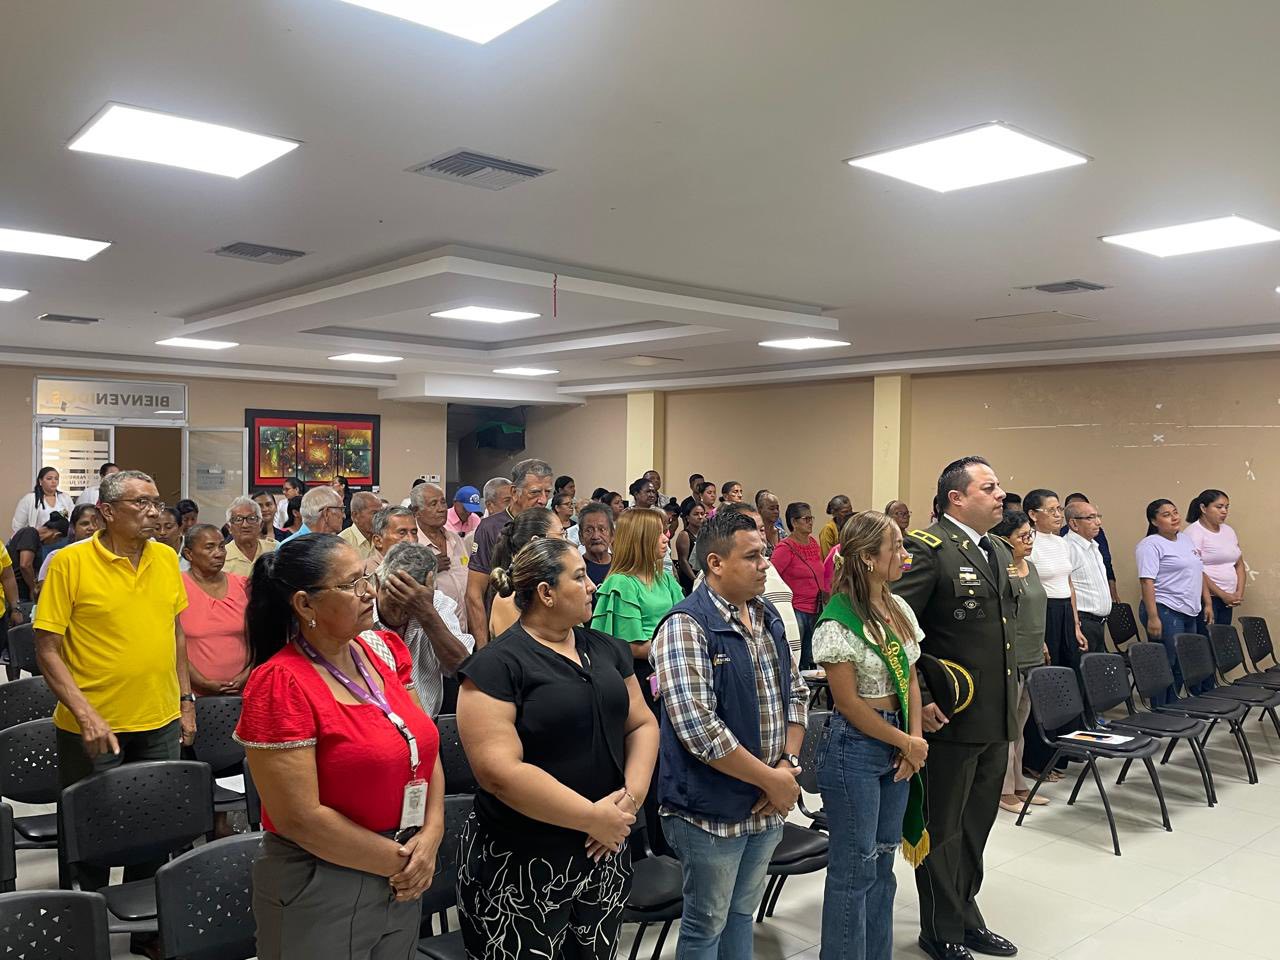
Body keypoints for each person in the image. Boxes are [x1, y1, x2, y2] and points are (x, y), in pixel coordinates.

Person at [235, 534, 443, 960]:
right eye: (351, 585)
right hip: (325, 876)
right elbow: (300, 819)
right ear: (305, 604)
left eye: (367, 577)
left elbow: (422, 745)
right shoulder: (281, 682)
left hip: (404, 864)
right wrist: (402, 861)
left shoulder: (381, 651)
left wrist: (432, 834)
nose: (369, 592)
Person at [456, 538, 658, 957]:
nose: (593, 586)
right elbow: (498, 772)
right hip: (523, 862)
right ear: (546, 593)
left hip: (605, 845)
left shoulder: (605, 649)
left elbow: (641, 723)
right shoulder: (497, 665)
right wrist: (591, 817)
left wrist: (629, 801)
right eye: (580, 577)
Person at [33, 469, 196, 937]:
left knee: (153, 831)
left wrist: (185, 700)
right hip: (95, 725)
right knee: (90, 837)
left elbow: (175, 633)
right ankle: (81, 931)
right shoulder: (70, 562)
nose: (153, 512)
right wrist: (85, 714)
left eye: (156, 503)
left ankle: (146, 934)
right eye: (140, 504)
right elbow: (47, 649)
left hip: (159, 718)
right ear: (106, 511)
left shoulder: (165, 557)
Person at [651, 509, 808, 959]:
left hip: (767, 801)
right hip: (710, 810)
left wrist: (787, 764)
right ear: (716, 563)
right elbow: (699, 728)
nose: (765, 564)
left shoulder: (767, 615)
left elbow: (796, 694)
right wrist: (771, 780)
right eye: (753, 556)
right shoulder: (686, 625)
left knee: (741, 914)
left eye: (764, 554)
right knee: (707, 924)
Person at [893, 456, 1018, 960]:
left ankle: (966, 914)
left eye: (999, 486)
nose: (1001, 494)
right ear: (956, 498)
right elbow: (895, 629)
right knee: (943, 827)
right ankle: (940, 928)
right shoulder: (928, 549)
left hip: (993, 713)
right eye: (989, 487)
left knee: (976, 824)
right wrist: (920, 698)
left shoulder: (997, 548)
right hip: (949, 715)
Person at [812, 510, 927, 960]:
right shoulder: (838, 620)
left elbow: (910, 679)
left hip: (900, 742)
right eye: (896, 547)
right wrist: (905, 743)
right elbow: (848, 703)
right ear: (866, 558)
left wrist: (913, 740)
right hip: (855, 748)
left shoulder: (898, 608)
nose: (904, 555)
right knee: (854, 869)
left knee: (883, 864)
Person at [1021, 489, 1089, 778]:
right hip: (1043, 615)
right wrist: (1039, 636)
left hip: (1064, 615)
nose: (1058, 515)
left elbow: (1069, 584)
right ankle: (1037, 760)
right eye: (1051, 510)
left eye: (1059, 509)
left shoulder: (1061, 543)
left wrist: (1075, 625)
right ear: (1032, 515)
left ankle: (1065, 751)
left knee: (1066, 684)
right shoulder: (1030, 544)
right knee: (1044, 687)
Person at [591, 508, 684, 703]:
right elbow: (632, 646)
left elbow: (685, 624)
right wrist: (673, 655)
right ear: (640, 539)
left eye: (665, 531)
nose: (666, 538)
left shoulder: (665, 578)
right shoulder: (621, 583)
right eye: (658, 533)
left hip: (670, 664)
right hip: (640, 673)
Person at [990, 511, 1050, 815]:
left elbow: (1035, 610)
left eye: (1031, 535)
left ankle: (1019, 783)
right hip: (1011, 658)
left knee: (1021, 726)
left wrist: (1042, 643)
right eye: (1022, 536)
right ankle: (1002, 790)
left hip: (1033, 655)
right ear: (1004, 541)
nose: (1029, 541)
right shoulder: (999, 571)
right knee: (1007, 728)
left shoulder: (1032, 567)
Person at [373, 542, 474, 717]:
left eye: (408, 607)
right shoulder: (360, 609)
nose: (399, 614)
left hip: (427, 723)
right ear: (377, 583)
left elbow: (462, 667)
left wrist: (426, 613)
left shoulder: (434, 604)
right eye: (393, 602)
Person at [466, 458, 554, 646]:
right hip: (504, 629)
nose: (543, 500)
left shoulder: (550, 524)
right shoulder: (490, 528)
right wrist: (483, 648)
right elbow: (474, 593)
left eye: (547, 492)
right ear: (514, 492)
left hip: (546, 630)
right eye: (535, 493)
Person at [1137, 499, 1214, 706]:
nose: (1174, 518)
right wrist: (1153, 617)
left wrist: (1207, 603)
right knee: (1166, 662)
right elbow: (1146, 581)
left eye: (1175, 512)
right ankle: (1160, 708)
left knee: (1183, 661)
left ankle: (1174, 705)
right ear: (1154, 521)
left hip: (1189, 610)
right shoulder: (1150, 544)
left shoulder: (1185, 540)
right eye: (1166, 515)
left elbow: (1198, 572)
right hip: (1165, 609)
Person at [180, 524, 250, 696]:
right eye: (209, 547)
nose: (219, 553)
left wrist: (246, 675)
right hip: (193, 694)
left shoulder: (243, 585)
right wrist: (202, 682)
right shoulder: (176, 587)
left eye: (221, 546)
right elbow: (171, 646)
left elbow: (258, 639)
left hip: (243, 690)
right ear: (189, 554)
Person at [487, 507, 564, 638]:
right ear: (536, 541)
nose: (567, 542)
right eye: (561, 535)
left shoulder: (550, 586)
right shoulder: (509, 599)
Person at [409, 482, 471, 631]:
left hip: (465, 631)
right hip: (432, 633)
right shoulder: (412, 547)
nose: (442, 509)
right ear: (417, 511)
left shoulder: (456, 540)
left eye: (443, 502)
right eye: (433, 504)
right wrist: (428, 567)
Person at [772, 501, 825, 670]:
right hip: (796, 609)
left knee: (812, 657)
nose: (810, 522)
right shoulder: (784, 548)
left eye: (811, 518)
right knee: (798, 657)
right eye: (806, 519)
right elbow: (772, 576)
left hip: (816, 607)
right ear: (794, 522)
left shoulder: (813, 543)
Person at [1185, 488, 1245, 626]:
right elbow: (1196, 569)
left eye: (1226, 507)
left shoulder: (1228, 531)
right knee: (1207, 637)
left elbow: (1239, 564)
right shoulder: (1194, 532)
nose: (1224, 511)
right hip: (1206, 597)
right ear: (1203, 508)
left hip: (1229, 598)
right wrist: (1222, 594)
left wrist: (1238, 593)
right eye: (1219, 507)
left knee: (1223, 637)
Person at [1063, 499, 1113, 653]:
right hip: (1083, 622)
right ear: (1074, 524)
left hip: (1099, 623)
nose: (1098, 522)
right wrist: (1076, 624)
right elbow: (1066, 587)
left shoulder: (1093, 546)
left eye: (1098, 516)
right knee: (1085, 666)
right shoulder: (1068, 547)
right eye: (1090, 518)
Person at [35, 504, 102, 596]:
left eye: (96, 524)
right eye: (85, 524)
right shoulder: (56, 556)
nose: (92, 528)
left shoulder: (110, 557)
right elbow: (45, 593)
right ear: (73, 528)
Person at [6, 512, 69, 602]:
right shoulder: (30, 533)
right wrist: (33, 588)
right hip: (18, 593)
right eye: (57, 541)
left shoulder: (36, 541)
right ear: (56, 535)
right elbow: (25, 565)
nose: (54, 543)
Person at [222, 496, 277, 578]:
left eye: (251, 518)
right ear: (229, 528)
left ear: (261, 525)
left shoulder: (275, 549)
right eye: (238, 519)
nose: (245, 525)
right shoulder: (221, 557)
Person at [12, 467, 75, 535]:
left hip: (63, 538)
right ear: (40, 481)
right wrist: (35, 532)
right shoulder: (29, 499)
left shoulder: (65, 498)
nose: (53, 481)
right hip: (38, 538)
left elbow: (73, 519)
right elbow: (18, 526)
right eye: (49, 479)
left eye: (56, 479)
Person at [367, 505, 419, 573]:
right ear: (378, 541)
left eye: (414, 533)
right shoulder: (364, 573)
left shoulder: (423, 567)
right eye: (402, 533)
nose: (411, 540)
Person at [674, 500, 706, 595]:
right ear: (688, 518)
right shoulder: (684, 535)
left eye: (702, 514)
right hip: (688, 577)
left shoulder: (705, 533)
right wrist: (695, 579)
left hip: (702, 574)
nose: (700, 517)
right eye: (696, 514)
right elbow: (683, 561)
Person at [338, 491, 381, 561]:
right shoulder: (341, 543)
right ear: (355, 516)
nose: (380, 517)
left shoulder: (383, 539)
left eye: (381, 513)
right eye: (375, 513)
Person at [579, 502, 614, 587]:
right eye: (589, 530)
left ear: (612, 535)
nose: (596, 536)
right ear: (581, 537)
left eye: (602, 529)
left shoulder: (622, 566)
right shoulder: (576, 570)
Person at [756, 490, 783, 555]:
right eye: (772, 509)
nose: (776, 511)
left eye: (777, 508)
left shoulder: (782, 533)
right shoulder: (755, 534)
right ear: (760, 509)